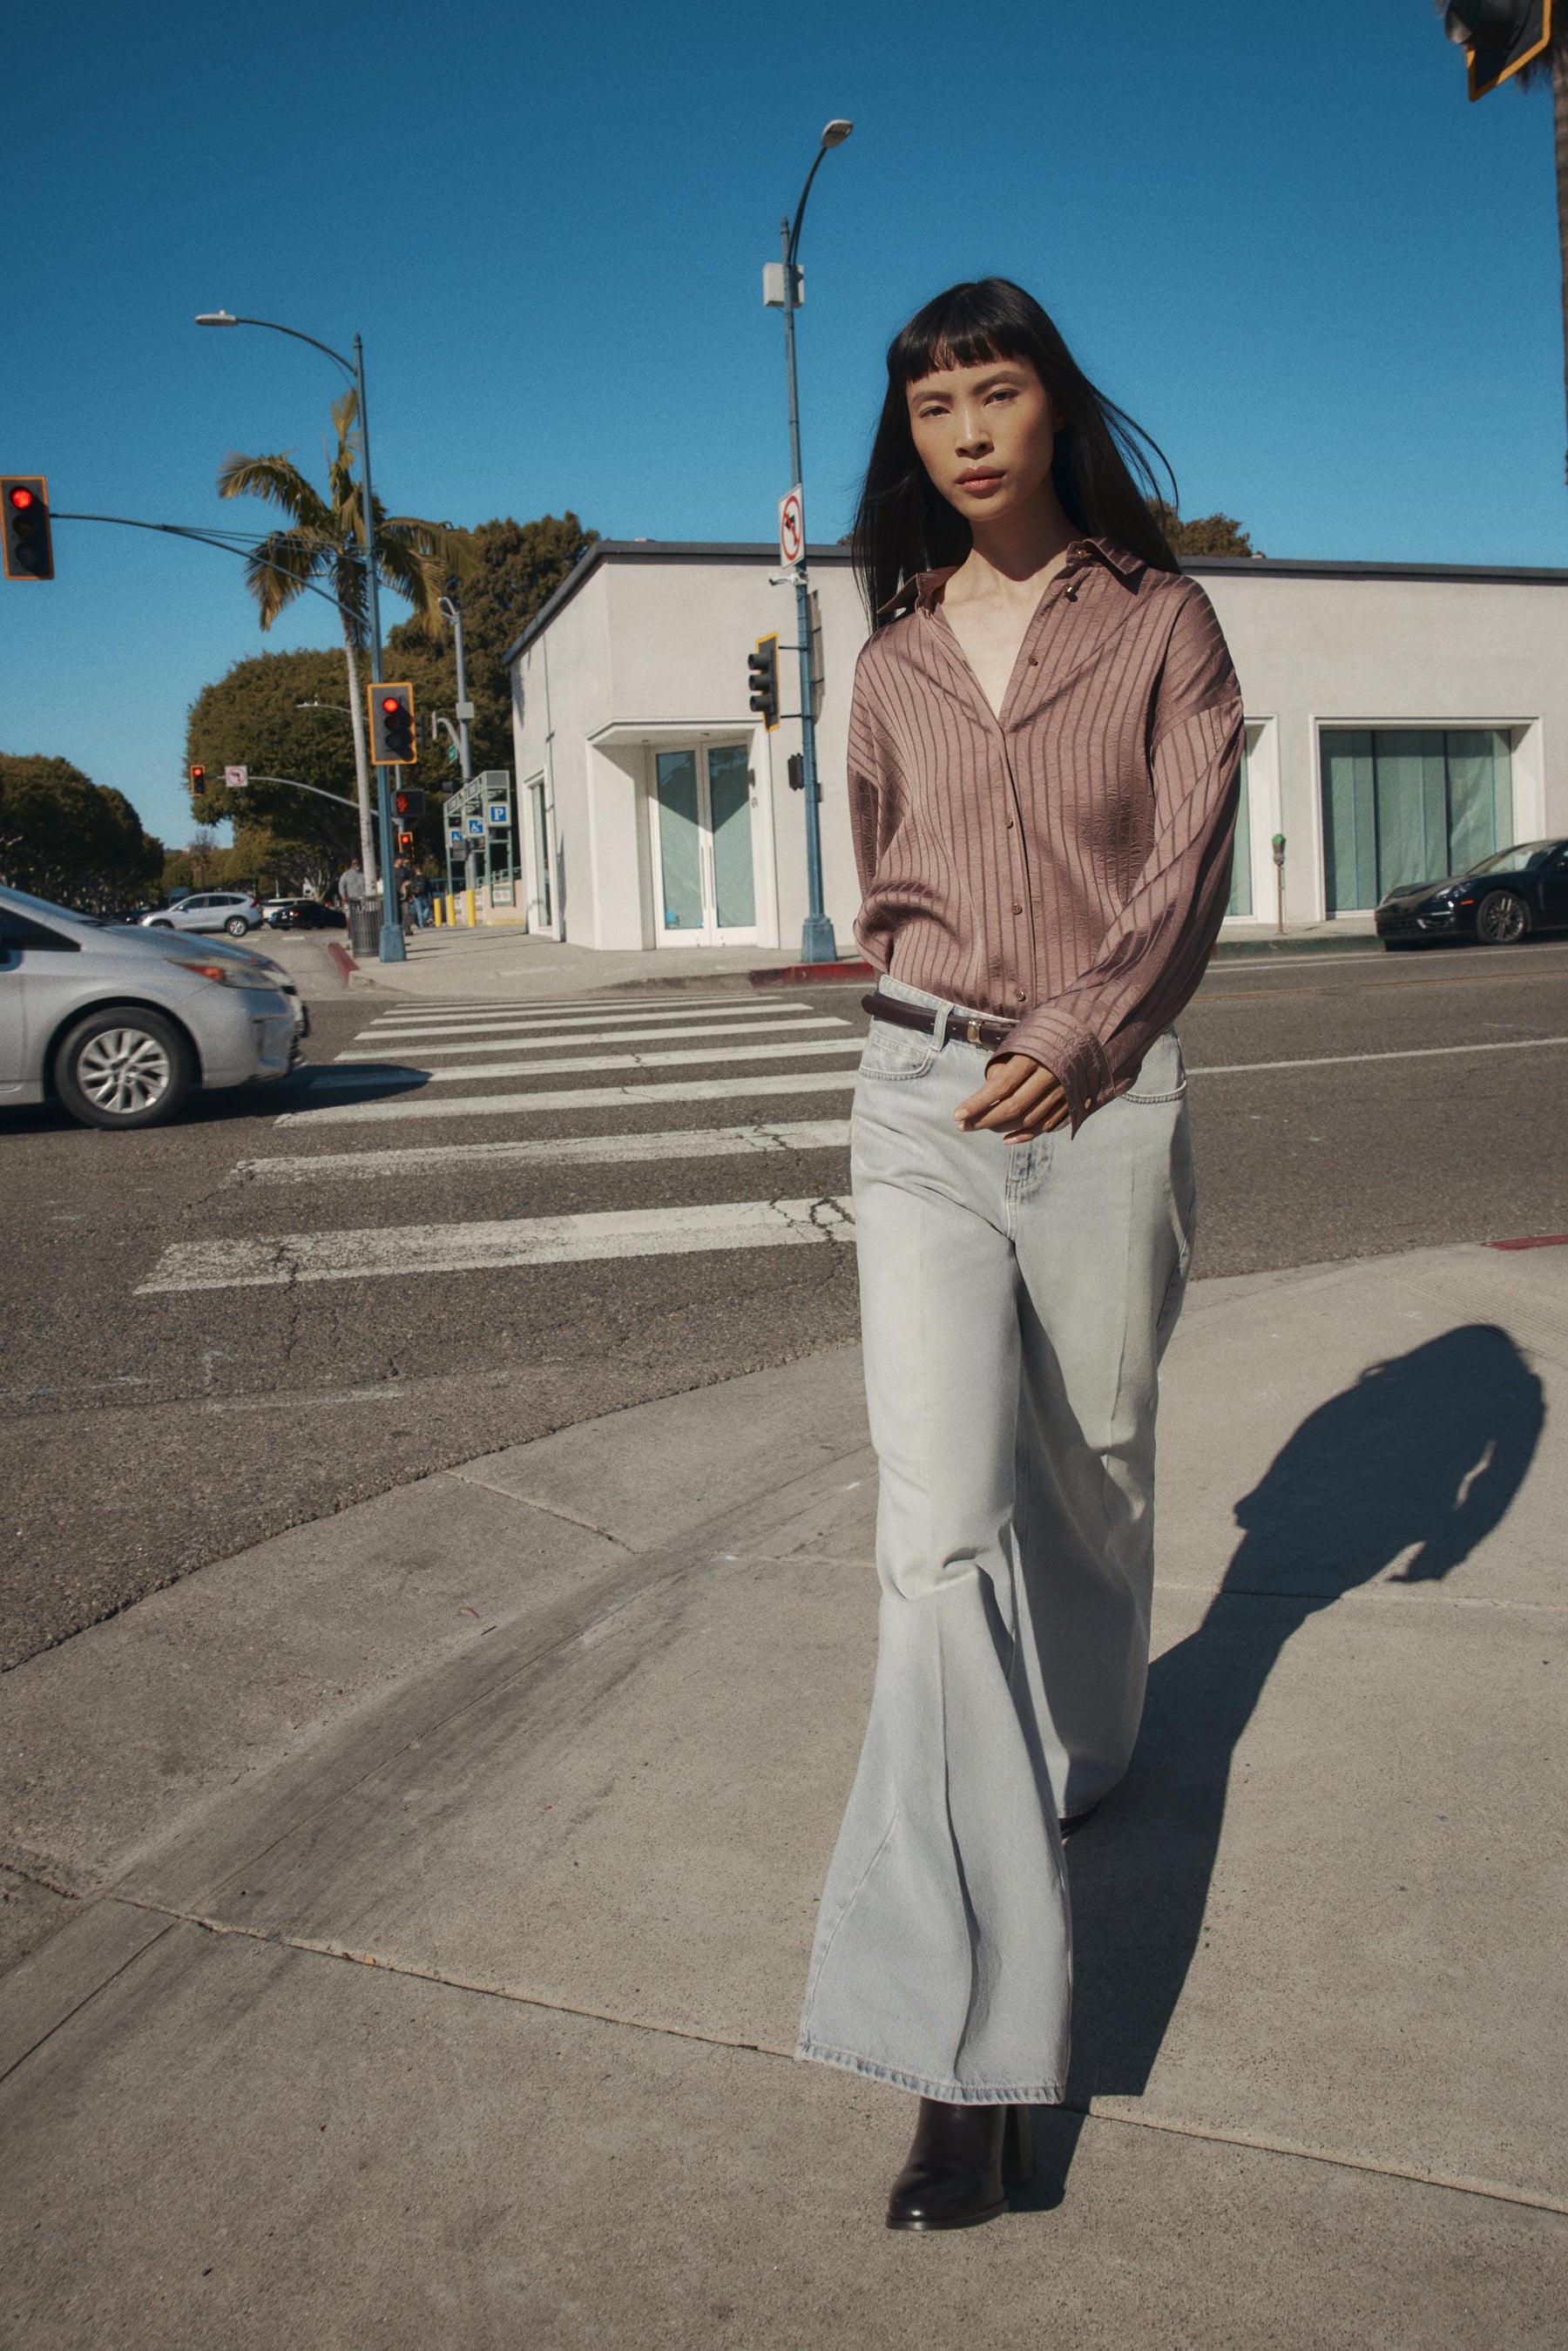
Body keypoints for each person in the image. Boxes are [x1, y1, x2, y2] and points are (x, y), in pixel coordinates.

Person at [794, 280, 1243, 2232]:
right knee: (938, 1533)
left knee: (1097, 1479)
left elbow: (1192, 854)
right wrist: (943, 1034)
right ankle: (959, 2059)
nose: (971, 428)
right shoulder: (885, 656)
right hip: (917, 1111)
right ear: (913, 436)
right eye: (938, 403)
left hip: (1101, 1099)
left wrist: (1082, 1038)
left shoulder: (1161, 621)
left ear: (1059, 407)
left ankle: (1089, 1737)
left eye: (1002, 390)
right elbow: (878, 872)